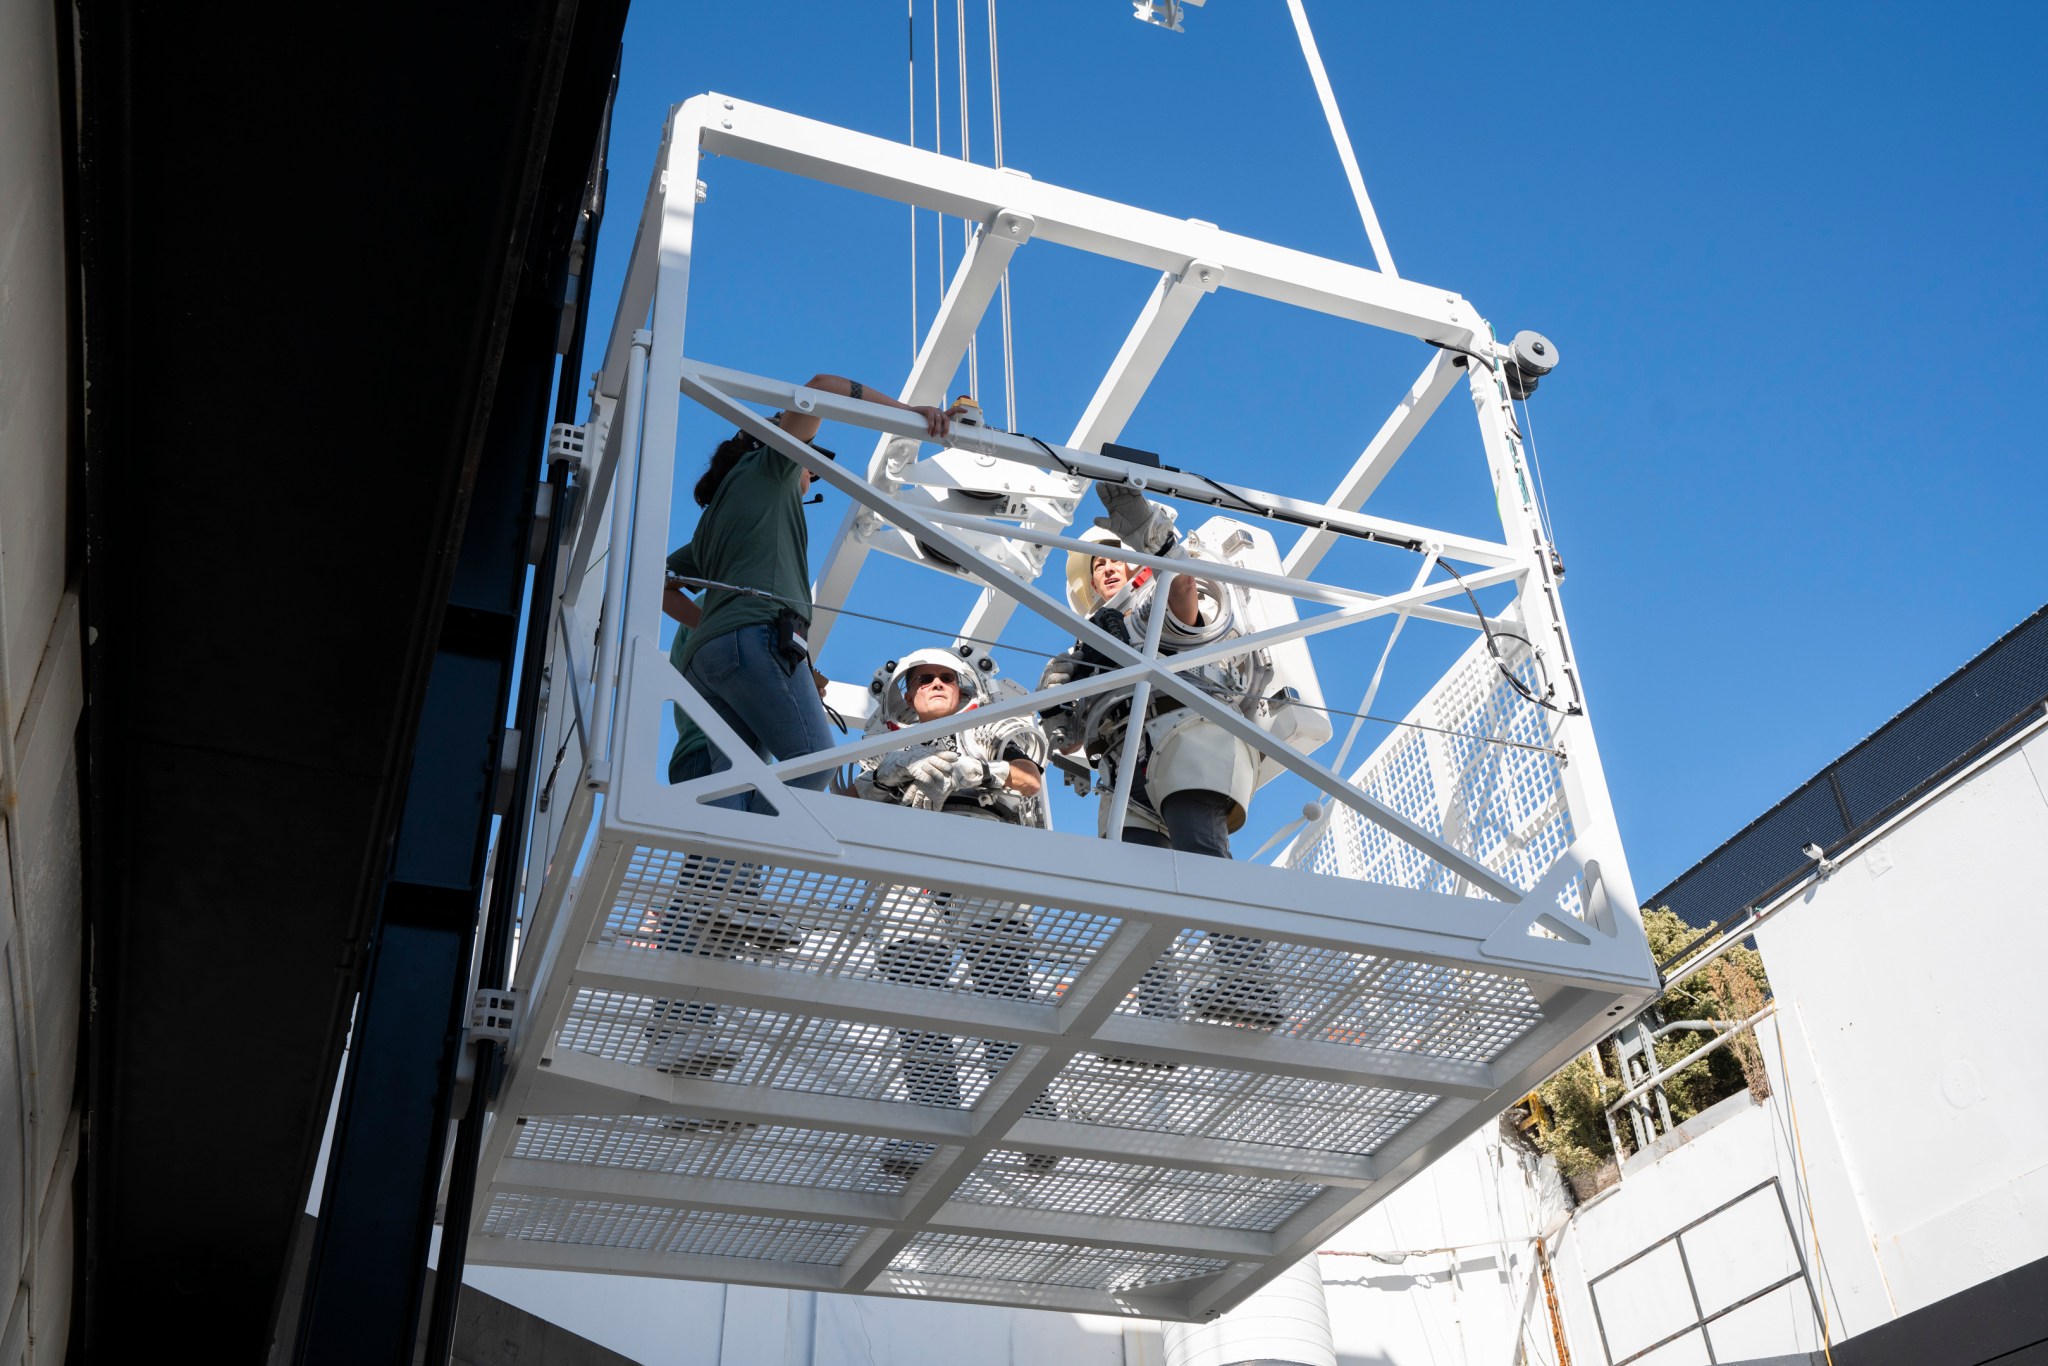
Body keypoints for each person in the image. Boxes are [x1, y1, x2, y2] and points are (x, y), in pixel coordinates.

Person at [1038, 483, 1288, 1033]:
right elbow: (1072, 738)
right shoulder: (1090, 644)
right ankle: (1156, 1018)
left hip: (1189, 731)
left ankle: (1251, 983)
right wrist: (1058, 704)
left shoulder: (1156, 601)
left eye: (1116, 557)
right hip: (1125, 766)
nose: (1108, 568)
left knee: (1200, 847)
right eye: (1100, 562)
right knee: (1137, 891)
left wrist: (1153, 539)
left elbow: (1184, 605)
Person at [666, 376, 962, 811]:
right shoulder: (768, 468)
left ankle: (723, 872)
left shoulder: (711, 521)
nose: (812, 470)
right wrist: (908, 413)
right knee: (814, 762)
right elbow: (823, 384)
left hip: (707, 659)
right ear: (773, 441)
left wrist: (716, 625)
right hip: (755, 637)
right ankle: (753, 843)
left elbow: (662, 582)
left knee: (731, 781)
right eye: (810, 461)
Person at [845, 648, 1059, 1177]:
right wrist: (892, 772)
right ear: (907, 692)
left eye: (946, 677)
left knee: (1004, 996)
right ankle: (931, 1122)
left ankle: (1030, 1117)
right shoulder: (883, 743)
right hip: (910, 868)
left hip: (982, 856)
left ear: (964, 685)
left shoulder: (993, 723)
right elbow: (851, 802)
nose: (935, 684)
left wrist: (981, 772)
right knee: (919, 1011)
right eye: (923, 679)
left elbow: (1030, 778)